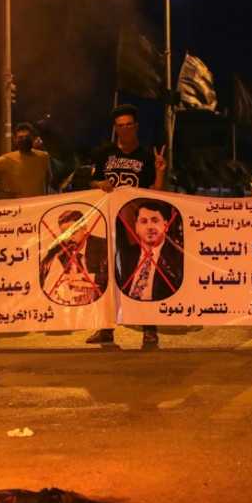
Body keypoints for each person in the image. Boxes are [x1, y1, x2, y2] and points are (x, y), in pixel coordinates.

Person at [87, 105, 167, 348]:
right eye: (120, 126)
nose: (124, 130)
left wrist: (161, 171)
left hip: (135, 229)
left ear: (136, 127)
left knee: (141, 276)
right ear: (115, 129)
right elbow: (92, 182)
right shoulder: (104, 153)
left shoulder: (146, 156)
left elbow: (156, 193)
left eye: (129, 125)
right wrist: (99, 184)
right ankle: (106, 328)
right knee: (105, 275)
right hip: (109, 226)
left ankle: (149, 328)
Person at [117, 199, 184, 302]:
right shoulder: (124, 255)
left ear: (165, 226)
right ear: (136, 227)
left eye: (155, 221)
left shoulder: (179, 258)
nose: (149, 227)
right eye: (144, 221)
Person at [40, 209, 109, 306]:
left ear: (84, 228)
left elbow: (109, 278)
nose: (69, 238)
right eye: (65, 234)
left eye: (73, 232)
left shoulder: (103, 245)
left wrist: (84, 276)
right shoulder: (62, 250)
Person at [0, 122, 52, 199]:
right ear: (15, 140)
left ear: (32, 138)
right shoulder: (6, 159)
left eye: (27, 137)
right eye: (20, 137)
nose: (24, 140)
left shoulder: (43, 156)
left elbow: (48, 178)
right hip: (16, 207)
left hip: (38, 206)